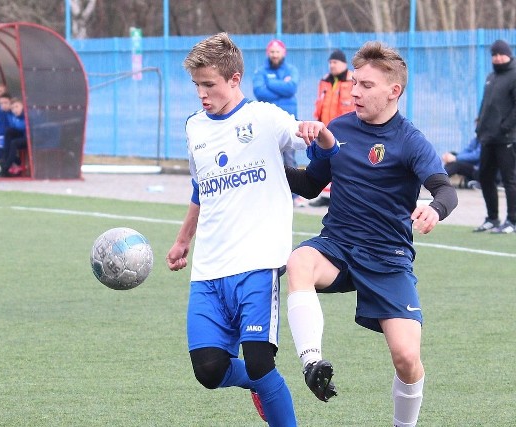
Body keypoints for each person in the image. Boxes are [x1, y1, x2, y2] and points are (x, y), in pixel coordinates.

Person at [165, 32, 339, 426]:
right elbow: (200, 187)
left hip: (258, 265)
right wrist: (181, 240)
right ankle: (263, 387)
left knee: (260, 363)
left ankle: (268, 388)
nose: (201, 94)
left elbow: (313, 154)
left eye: (209, 84)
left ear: (235, 78)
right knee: (208, 371)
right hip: (209, 269)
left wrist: (319, 134)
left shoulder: (265, 118)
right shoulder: (195, 128)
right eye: (197, 85)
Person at [284, 41, 457, 427]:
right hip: (338, 247)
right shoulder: (340, 129)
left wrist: (434, 208)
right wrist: (270, 166)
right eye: (354, 83)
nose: (355, 92)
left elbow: (445, 190)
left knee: (407, 358)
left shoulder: (410, 140)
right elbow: (312, 185)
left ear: (393, 91)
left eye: (366, 85)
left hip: (388, 259)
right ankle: (312, 361)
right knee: (299, 261)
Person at [252, 39, 305, 207]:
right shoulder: (260, 71)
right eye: (272, 51)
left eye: (278, 51)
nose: (275, 54)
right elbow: (260, 93)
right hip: (266, 123)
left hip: (289, 122)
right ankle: (267, 196)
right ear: (268, 53)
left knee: (290, 160)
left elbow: (291, 89)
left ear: (284, 53)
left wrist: (271, 83)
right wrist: (282, 88)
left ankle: (295, 196)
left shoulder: (292, 70)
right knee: (266, 158)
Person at [473, 39, 516, 234]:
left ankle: (512, 221)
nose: (498, 58)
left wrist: (505, 127)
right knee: (485, 177)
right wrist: (480, 126)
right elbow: (486, 104)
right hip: (488, 137)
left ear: (509, 54)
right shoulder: (491, 76)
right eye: (494, 55)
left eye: (501, 54)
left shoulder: (514, 75)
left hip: (507, 138)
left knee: (509, 180)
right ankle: (492, 218)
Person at [309, 49, 356, 207]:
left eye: (335, 62)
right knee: (325, 162)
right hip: (325, 128)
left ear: (344, 64)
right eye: (330, 62)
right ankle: (325, 195)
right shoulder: (325, 80)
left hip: (345, 129)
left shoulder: (352, 81)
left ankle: (342, 197)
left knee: (343, 163)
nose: (332, 65)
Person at [0, 98, 27, 177]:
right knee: (8, 133)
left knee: (14, 142)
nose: (15, 110)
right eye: (12, 108)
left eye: (17, 107)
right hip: (22, 136)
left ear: (22, 106)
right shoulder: (14, 117)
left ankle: (5, 168)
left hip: (32, 139)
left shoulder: (27, 115)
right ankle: (6, 164)